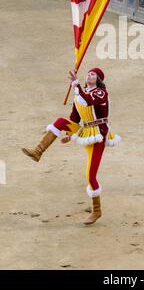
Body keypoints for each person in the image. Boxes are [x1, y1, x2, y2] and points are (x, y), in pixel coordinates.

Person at [22, 67, 121, 225]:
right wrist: (69, 134)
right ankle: (38, 151)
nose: (89, 75)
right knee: (61, 121)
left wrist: (76, 84)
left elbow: (89, 101)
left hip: (98, 135)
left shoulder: (101, 93)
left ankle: (97, 210)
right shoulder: (79, 95)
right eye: (88, 73)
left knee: (90, 175)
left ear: (99, 79)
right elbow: (74, 119)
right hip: (86, 131)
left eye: (93, 74)